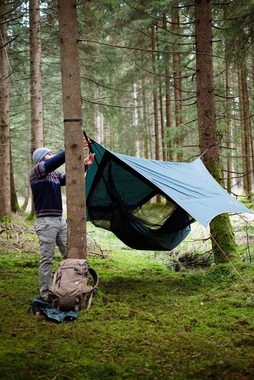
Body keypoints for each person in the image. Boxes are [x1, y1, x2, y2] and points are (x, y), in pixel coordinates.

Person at [29, 143, 94, 300]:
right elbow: (55, 161)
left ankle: (69, 288)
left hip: (59, 221)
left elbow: (70, 178)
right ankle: (45, 294)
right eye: (48, 154)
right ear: (41, 159)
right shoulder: (37, 171)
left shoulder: (54, 175)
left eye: (52, 153)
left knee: (69, 254)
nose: (51, 155)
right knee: (47, 259)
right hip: (46, 223)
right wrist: (73, 147)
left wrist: (84, 165)